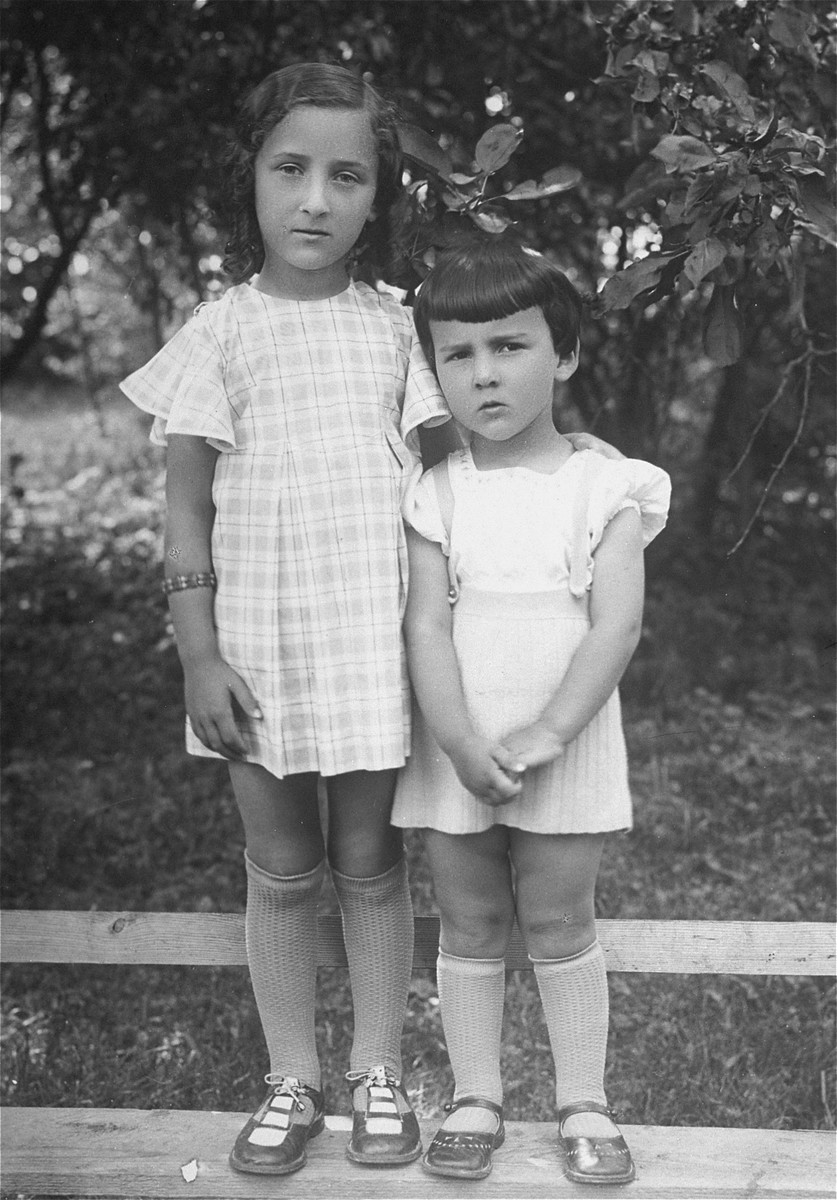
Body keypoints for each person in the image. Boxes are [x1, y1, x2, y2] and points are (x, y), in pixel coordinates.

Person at [391, 234, 671, 1185]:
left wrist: (548, 732)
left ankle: (583, 1099)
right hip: (458, 739)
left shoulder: (607, 486)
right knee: (466, 921)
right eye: (457, 355)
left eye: (508, 346)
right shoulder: (435, 493)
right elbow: (426, 628)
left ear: (566, 353)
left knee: (556, 919)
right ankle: (475, 1096)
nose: (483, 374)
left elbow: (615, 627)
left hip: (568, 735)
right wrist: (462, 742)